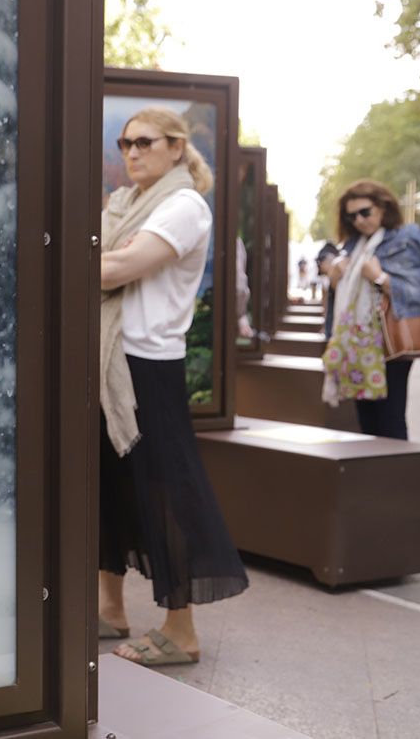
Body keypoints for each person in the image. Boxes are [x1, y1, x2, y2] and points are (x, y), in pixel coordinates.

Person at [98, 106, 249, 667]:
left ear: (176, 147)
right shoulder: (126, 205)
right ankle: (110, 607)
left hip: (148, 365)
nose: (132, 152)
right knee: (109, 486)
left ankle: (180, 629)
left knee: (166, 489)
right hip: (111, 359)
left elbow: (115, 270)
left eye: (144, 142)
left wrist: (62, 256)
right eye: (124, 144)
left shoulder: (183, 206)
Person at [323, 179, 420, 439]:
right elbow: (341, 297)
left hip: (389, 343)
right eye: (352, 216)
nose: (359, 220)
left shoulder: (407, 237)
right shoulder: (353, 245)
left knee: (390, 420)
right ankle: (375, 477)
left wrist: (381, 278)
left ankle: (397, 478)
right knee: (366, 421)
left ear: (383, 208)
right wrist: (335, 275)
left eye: (365, 212)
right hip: (355, 343)